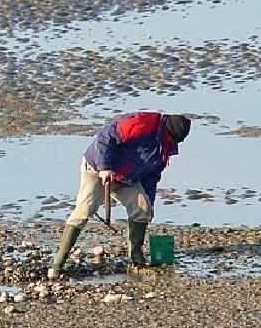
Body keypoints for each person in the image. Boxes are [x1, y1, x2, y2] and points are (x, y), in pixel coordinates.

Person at [49, 111, 191, 277]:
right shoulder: (142, 124)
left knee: (142, 208)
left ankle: (135, 261)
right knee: (84, 211)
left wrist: (150, 202)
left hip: (127, 178)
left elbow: (152, 177)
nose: (172, 143)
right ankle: (58, 263)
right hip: (97, 170)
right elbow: (104, 136)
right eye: (171, 139)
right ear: (166, 130)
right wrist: (104, 168)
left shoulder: (166, 148)